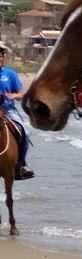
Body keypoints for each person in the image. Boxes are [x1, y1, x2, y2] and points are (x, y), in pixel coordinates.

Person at [0, 46, 33, 180]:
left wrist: (14, 96)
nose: (0, 58)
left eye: (1, 56)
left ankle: (20, 165)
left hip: (8, 110)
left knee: (26, 131)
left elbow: (21, 93)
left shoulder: (10, 74)